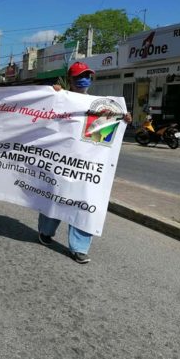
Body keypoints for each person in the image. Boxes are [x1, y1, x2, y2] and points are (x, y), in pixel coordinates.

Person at [39, 61, 132, 264]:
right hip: (60, 162)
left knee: (85, 202)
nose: (84, 80)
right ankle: (45, 232)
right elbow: (41, 115)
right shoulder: (60, 98)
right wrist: (51, 94)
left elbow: (100, 137)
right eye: (80, 76)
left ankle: (79, 248)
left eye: (88, 76)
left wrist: (122, 120)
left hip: (85, 166)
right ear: (70, 79)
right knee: (56, 197)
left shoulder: (100, 106)